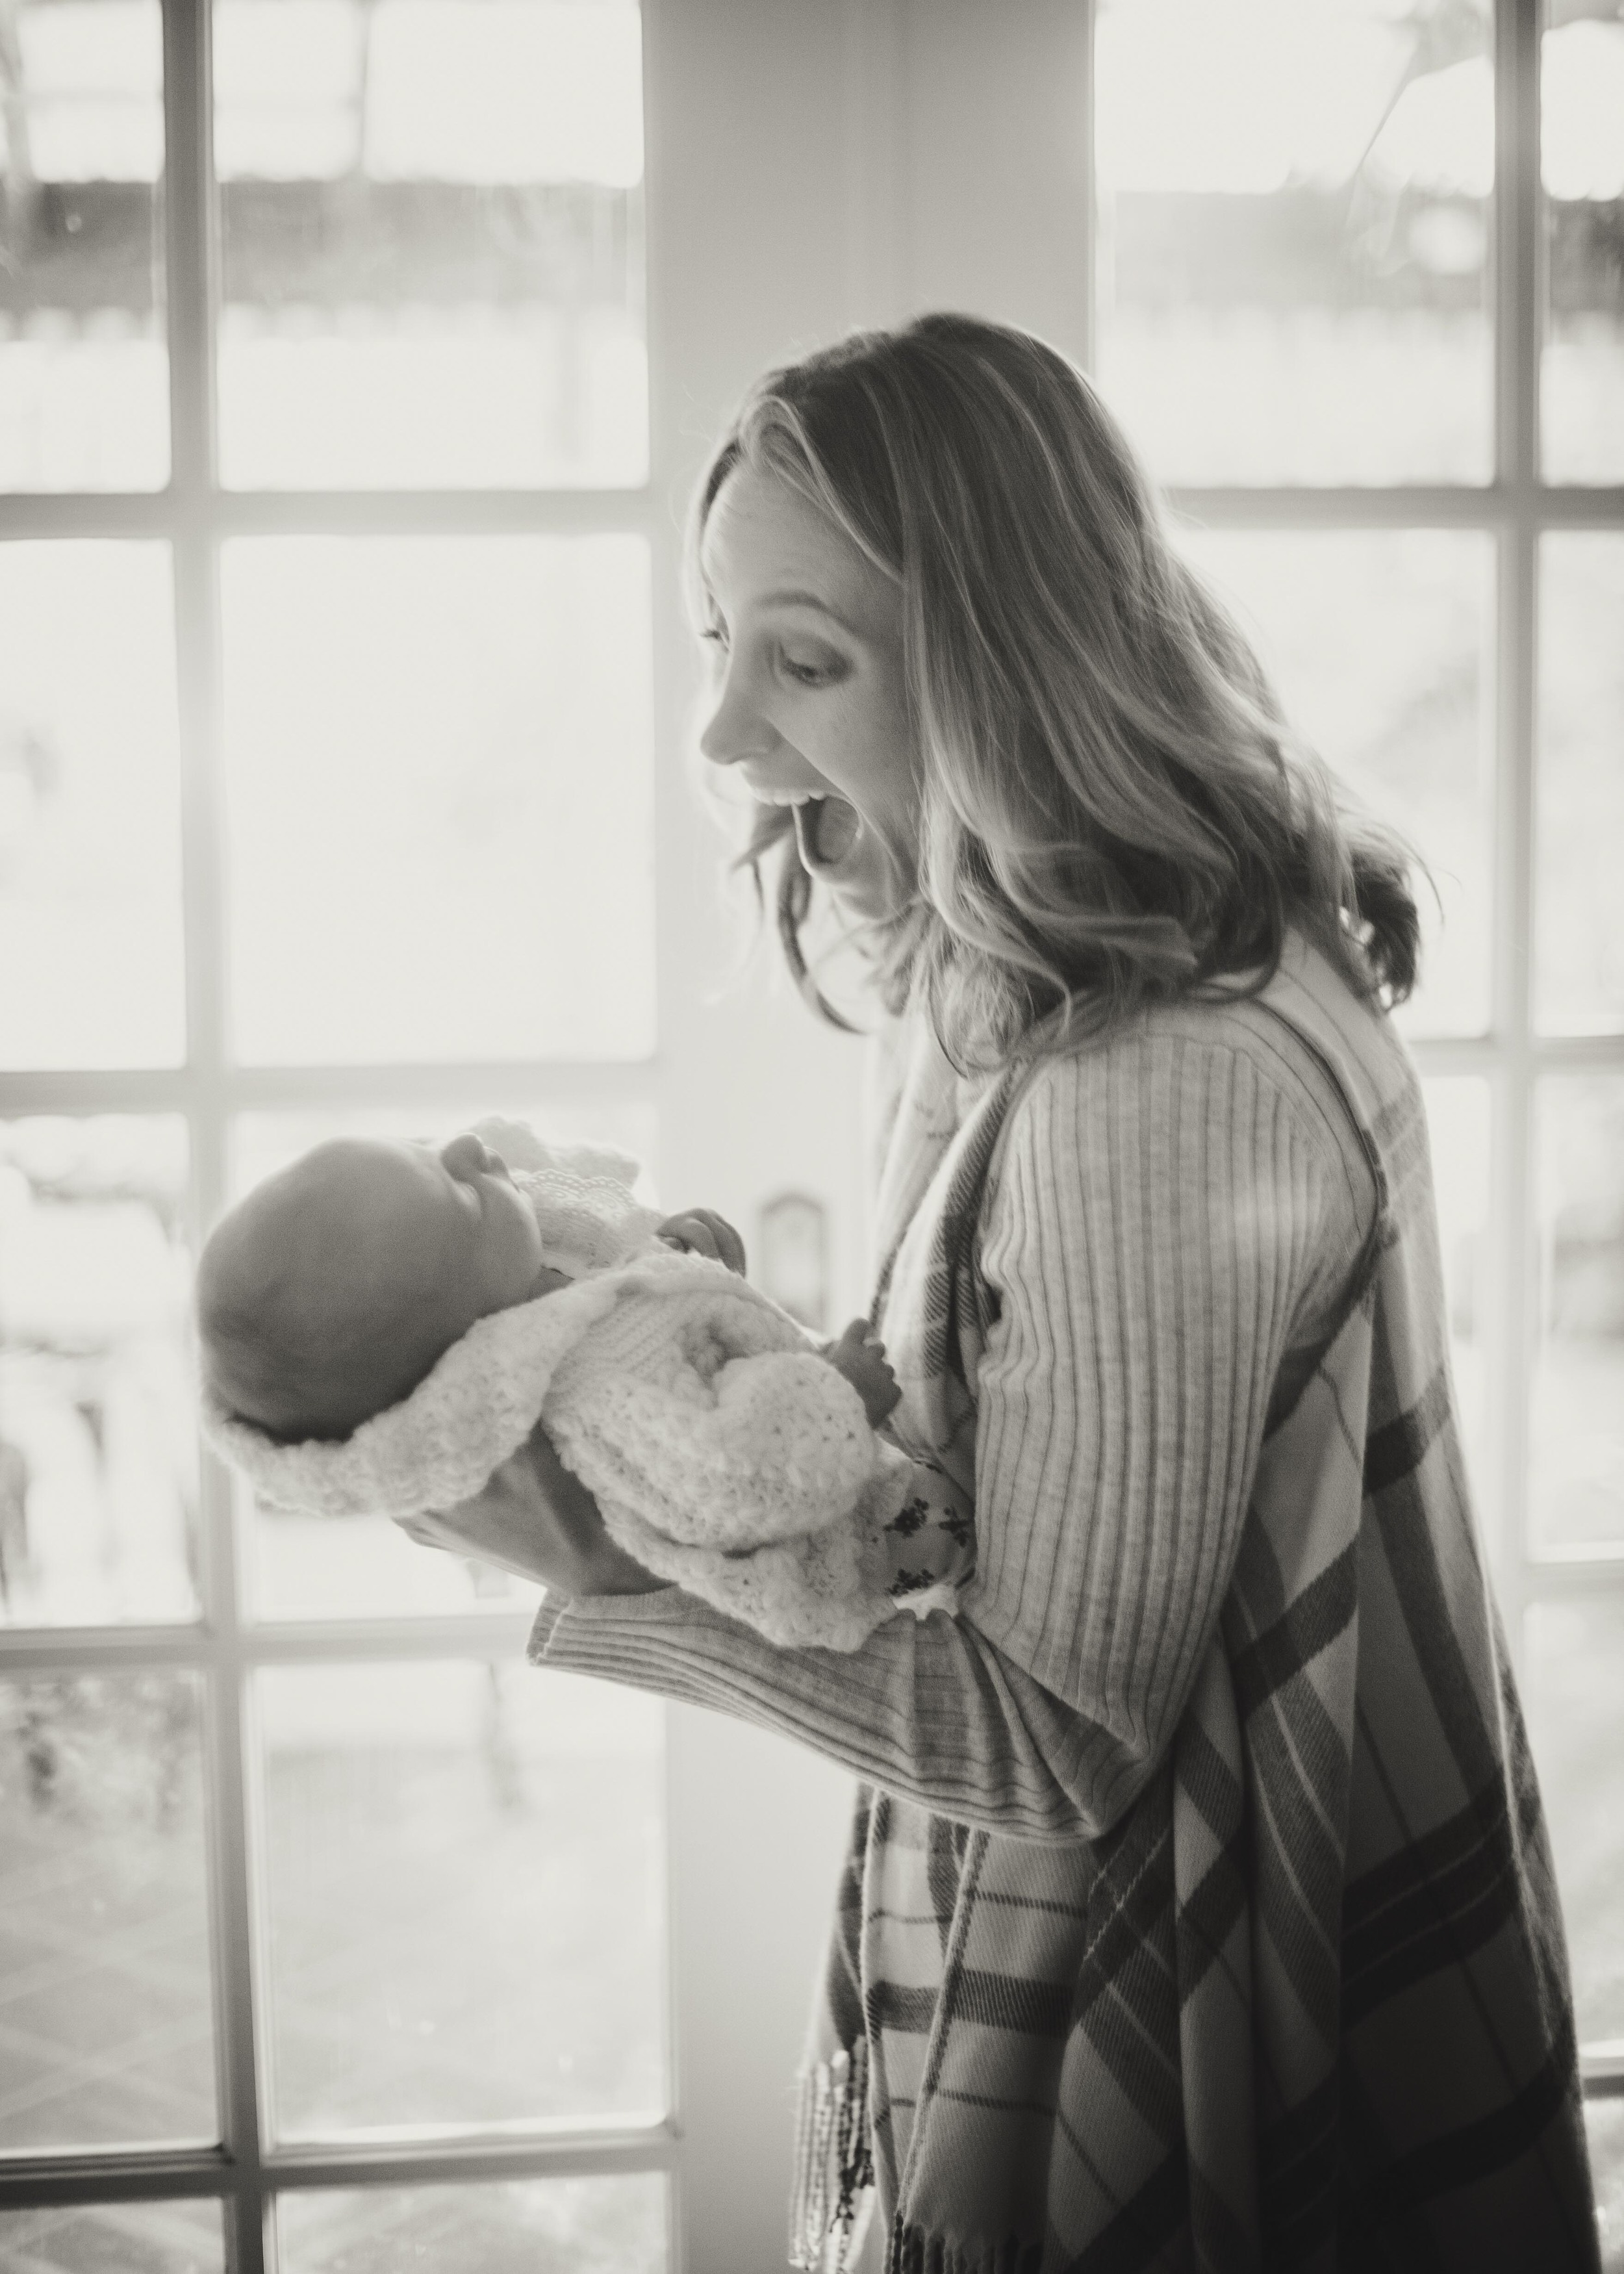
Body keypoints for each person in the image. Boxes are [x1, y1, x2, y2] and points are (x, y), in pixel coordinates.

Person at [396, 315, 1599, 2271]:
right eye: (717, 638)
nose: (719, 730)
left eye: (804, 658)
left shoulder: (1159, 1081)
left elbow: (1057, 1737)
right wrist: (739, 1361)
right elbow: (1011, 1446)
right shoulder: (1035, 961)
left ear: (1001, 664)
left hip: (1177, 1983)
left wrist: (593, 1562)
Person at [196, 1123, 966, 1648]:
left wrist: (674, 1254)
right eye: (455, 1192)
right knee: (957, 1521)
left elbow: (632, 1290)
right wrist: (840, 1395)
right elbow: (735, 1470)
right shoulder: (587, 1388)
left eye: (426, 1147)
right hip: (858, 1519)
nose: (467, 1145)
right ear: (462, 1327)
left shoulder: (536, 1280)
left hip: (833, 1420)